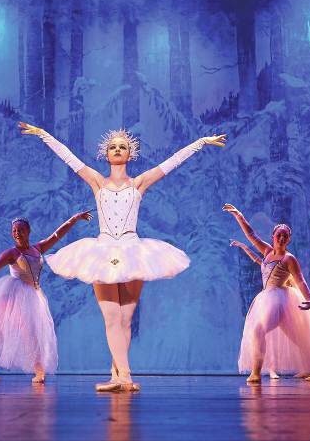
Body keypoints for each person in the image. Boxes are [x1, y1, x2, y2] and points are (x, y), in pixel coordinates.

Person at [21, 122, 225, 392]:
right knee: (111, 318)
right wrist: (44, 134)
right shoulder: (97, 181)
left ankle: (117, 375)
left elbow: (171, 163)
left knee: (125, 320)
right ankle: (125, 376)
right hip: (103, 250)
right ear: (106, 155)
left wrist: (201, 142)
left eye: (123, 147)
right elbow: (69, 157)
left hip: (133, 250)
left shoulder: (139, 183)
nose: (117, 149)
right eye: (113, 147)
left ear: (130, 155)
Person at [0, 212, 92, 383]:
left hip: (32, 295)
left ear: (28, 231)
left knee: (28, 333)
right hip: (12, 295)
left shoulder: (38, 249)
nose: (17, 233)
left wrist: (74, 219)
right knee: (6, 332)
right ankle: (32, 371)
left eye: (20, 229)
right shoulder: (11, 253)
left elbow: (58, 235)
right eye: (14, 230)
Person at [224, 205, 310, 384]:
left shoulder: (289, 259)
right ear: (273, 237)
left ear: (289, 239)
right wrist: (239, 215)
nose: (282, 237)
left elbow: (300, 280)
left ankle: (256, 373)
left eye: (285, 235)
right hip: (267, 299)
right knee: (298, 340)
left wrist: (309, 299)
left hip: (280, 301)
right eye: (279, 235)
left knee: (259, 330)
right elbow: (251, 235)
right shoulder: (267, 251)